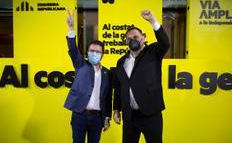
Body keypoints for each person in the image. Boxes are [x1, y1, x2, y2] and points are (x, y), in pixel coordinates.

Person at [113, 10, 169, 143]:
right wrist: (116, 110)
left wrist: (152, 21)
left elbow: (165, 43)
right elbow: (119, 88)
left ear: (143, 38)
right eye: (129, 39)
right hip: (130, 116)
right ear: (126, 42)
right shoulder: (121, 62)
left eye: (136, 37)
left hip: (150, 114)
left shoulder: (153, 52)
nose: (133, 40)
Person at [64, 9, 112, 143]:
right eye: (92, 51)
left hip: (97, 118)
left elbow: (108, 97)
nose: (94, 53)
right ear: (87, 52)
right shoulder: (81, 65)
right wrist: (71, 28)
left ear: (102, 54)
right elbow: (73, 50)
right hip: (80, 115)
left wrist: (107, 116)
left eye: (98, 52)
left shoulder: (107, 73)